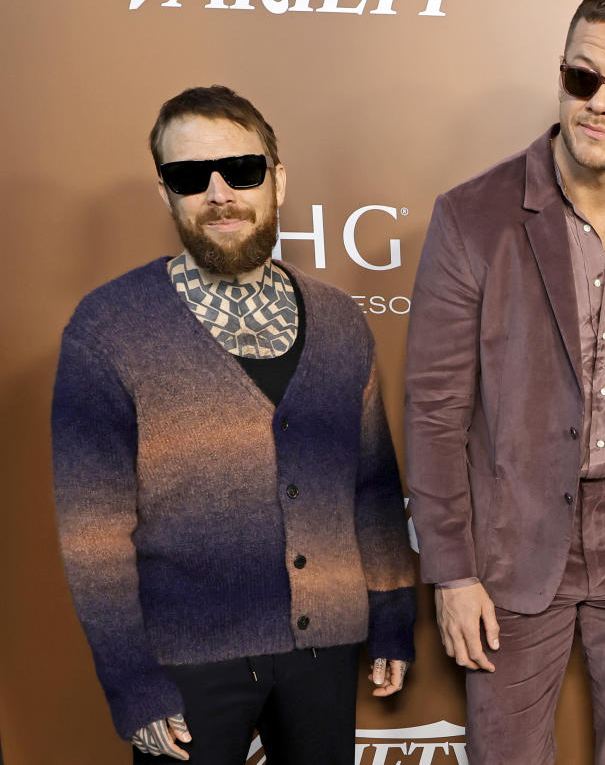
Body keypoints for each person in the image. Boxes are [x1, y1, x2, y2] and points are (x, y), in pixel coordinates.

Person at [51, 85, 416, 764]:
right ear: (166, 194)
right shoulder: (107, 330)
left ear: (278, 178)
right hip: (185, 662)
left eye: (241, 170)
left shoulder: (339, 321)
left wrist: (393, 615)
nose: (219, 193)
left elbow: (372, 486)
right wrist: (132, 680)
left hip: (326, 647)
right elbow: (91, 535)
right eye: (191, 177)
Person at [404, 0, 605, 764]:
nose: (598, 103)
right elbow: (435, 409)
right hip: (512, 537)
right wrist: (451, 573)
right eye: (583, 78)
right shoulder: (472, 216)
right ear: (562, 75)